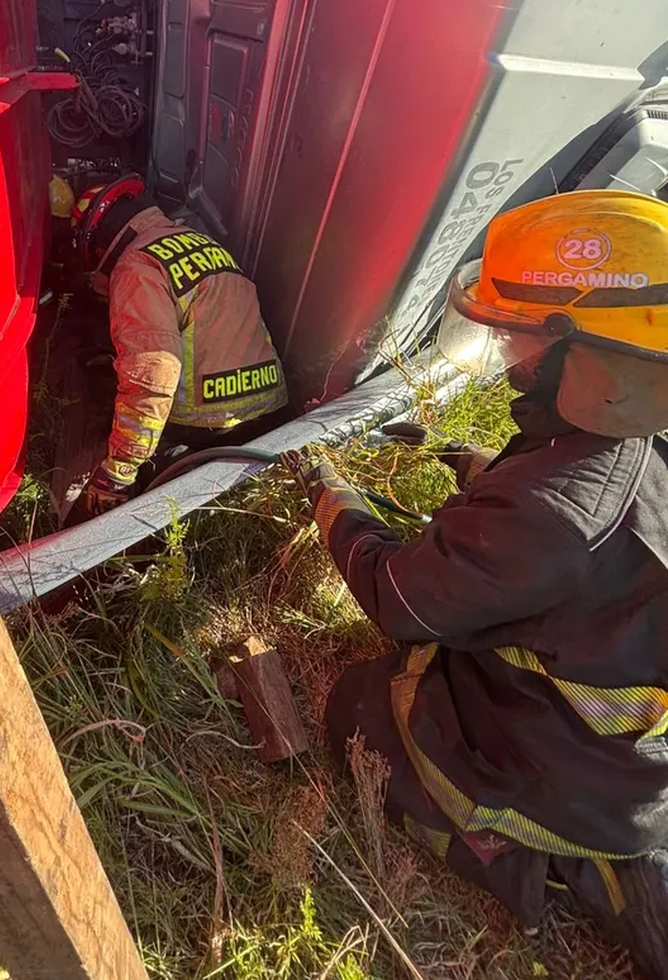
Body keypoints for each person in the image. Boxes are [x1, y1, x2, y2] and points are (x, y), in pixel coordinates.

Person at [286, 191, 668, 978]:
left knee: (358, 706)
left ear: (591, 363)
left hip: (570, 771)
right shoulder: (630, 441)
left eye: (518, 337)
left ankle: (509, 847)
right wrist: (468, 460)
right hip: (624, 755)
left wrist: (330, 497)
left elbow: (401, 597)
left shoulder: (551, 511)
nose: (503, 351)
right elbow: (584, 520)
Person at [68, 175, 287, 517]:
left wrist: (118, 473)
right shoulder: (204, 242)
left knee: (111, 391)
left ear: (99, 241)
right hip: (271, 411)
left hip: (205, 427)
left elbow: (152, 372)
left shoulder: (136, 266)